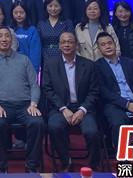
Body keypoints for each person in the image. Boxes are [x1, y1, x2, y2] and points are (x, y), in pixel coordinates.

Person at [0, 26, 44, 173]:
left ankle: (31, 166)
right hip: (1, 106)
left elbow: (34, 85)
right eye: (0, 36)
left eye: (7, 36)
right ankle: (1, 166)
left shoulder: (24, 60)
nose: (4, 39)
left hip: (25, 106)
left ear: (12, 39)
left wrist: (33, 104)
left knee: (37, 122)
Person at [42, 32, 101, 171]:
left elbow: (94, 91)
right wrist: (63, 108)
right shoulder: (50, 64)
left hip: (84, 108)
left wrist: (82, 110)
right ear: (59, 45)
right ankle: (65, 161)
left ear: (76, 45)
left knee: (92, 132)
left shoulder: (88, 65)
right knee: (54, 127)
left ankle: (93, 166)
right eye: (63, 42)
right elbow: (47, 89)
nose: (67, 45)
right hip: (60, 108)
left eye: (70, 42)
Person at [37, 0, 75, 65]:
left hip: (64, 56)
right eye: (50, 6)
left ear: (61, 7)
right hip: (45, 57)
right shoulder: (41, 23)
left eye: (56, 6)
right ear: (46, 7)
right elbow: (38, 43)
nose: (53, 9)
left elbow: (71, 42)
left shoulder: (67, 23)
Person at [10, 1, 41, 73]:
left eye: (21, 12)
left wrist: (33, 72)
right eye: (16, 12)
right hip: (11, 69)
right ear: (12, 14)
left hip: (27, 69)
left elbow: (35, 54)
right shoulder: (9, 30)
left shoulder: (32, 30)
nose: (18, 15)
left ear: (26, 13)